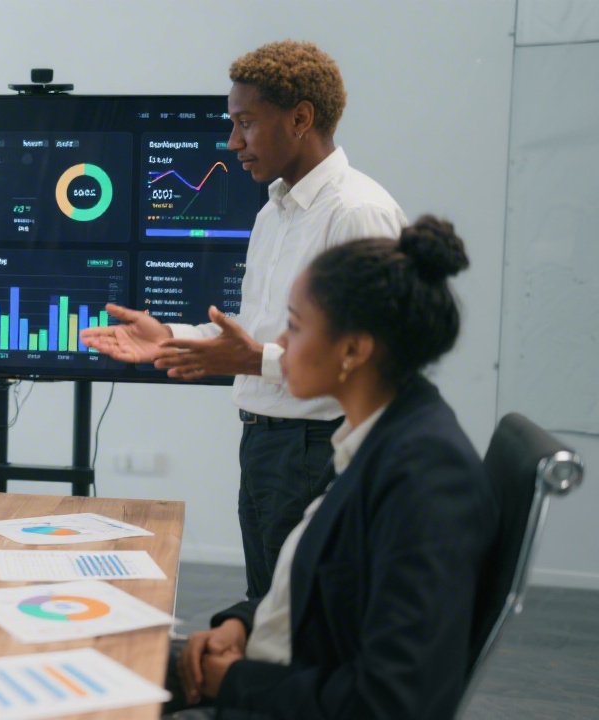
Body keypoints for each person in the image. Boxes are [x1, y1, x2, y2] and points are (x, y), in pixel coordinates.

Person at [82, 41, 407, 599]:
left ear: (301, 118)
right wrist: (173, 337)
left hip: (318, 448)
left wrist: (252, 359)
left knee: (303, 621)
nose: (233, 142)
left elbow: (374, 358)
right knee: (268, 608)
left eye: (246, 124)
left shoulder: (358, 213)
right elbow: (253, 331)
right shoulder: (272, 214)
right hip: (265, 445)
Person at [165, 217, 496, 719]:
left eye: (295, 325)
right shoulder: (374, 436)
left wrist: (234, 680)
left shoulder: (425, 479)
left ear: (354, 349)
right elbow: (316, 580)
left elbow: (392, 702)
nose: (280, 339)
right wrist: (241, 623)